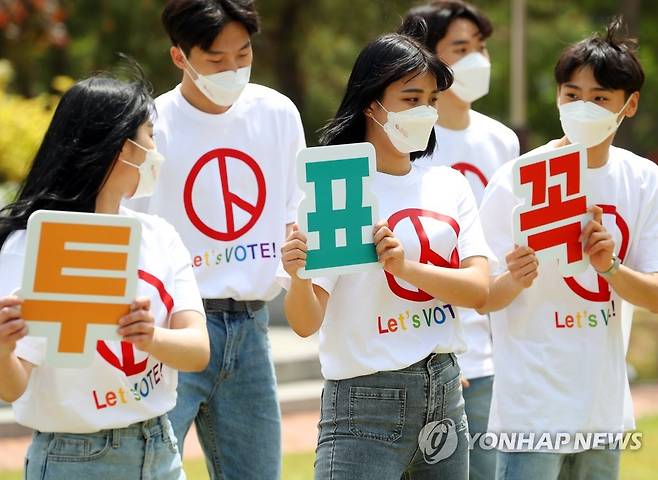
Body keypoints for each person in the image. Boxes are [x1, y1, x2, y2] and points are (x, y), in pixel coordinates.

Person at [280, 33, 496, 479]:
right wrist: (298, 275)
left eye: (431, 100)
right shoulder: (338, 190)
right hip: (365, 400)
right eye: (410, 98)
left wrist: (406, 268)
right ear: (371, 104)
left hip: (445, 391)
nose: (425, 112)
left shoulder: (448, 184)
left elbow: (479, 289)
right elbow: (305, 322)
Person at [125, 1, 305, 478]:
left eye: (243, 55)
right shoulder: (150, 126)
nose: (232, 69)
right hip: (174, 328)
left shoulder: (278, 113)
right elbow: (128, 229)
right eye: (216, 60)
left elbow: (294, 211)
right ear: (179, 56)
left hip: (251, 328)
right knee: (150, 469)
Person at [0, 72, 210, 480]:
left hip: (160, 451)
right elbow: (12, 386)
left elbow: (197, 349)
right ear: (121, 148)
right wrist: (2, 348)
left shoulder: (159, 235)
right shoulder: (29, 247)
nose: (155, 150)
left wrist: (151, 338)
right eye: (149, 136)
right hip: (73, 459)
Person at [477, 19, 658, 480]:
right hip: (532, 408)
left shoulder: (643, 180)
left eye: (600, 99)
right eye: (572, 95)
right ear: (558, 97)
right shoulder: (517, 179)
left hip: (602, 405)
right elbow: (483, 295)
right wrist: (515, 277)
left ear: (628, 105)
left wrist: (610, 267)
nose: (583, 107)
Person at [399, 3, 520, 478]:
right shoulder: (407, 138)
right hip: (429, 343)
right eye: (461, 49)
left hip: (490, 350)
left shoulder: (502, 140)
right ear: (426, 58)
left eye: (482, 48)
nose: (477, 60)